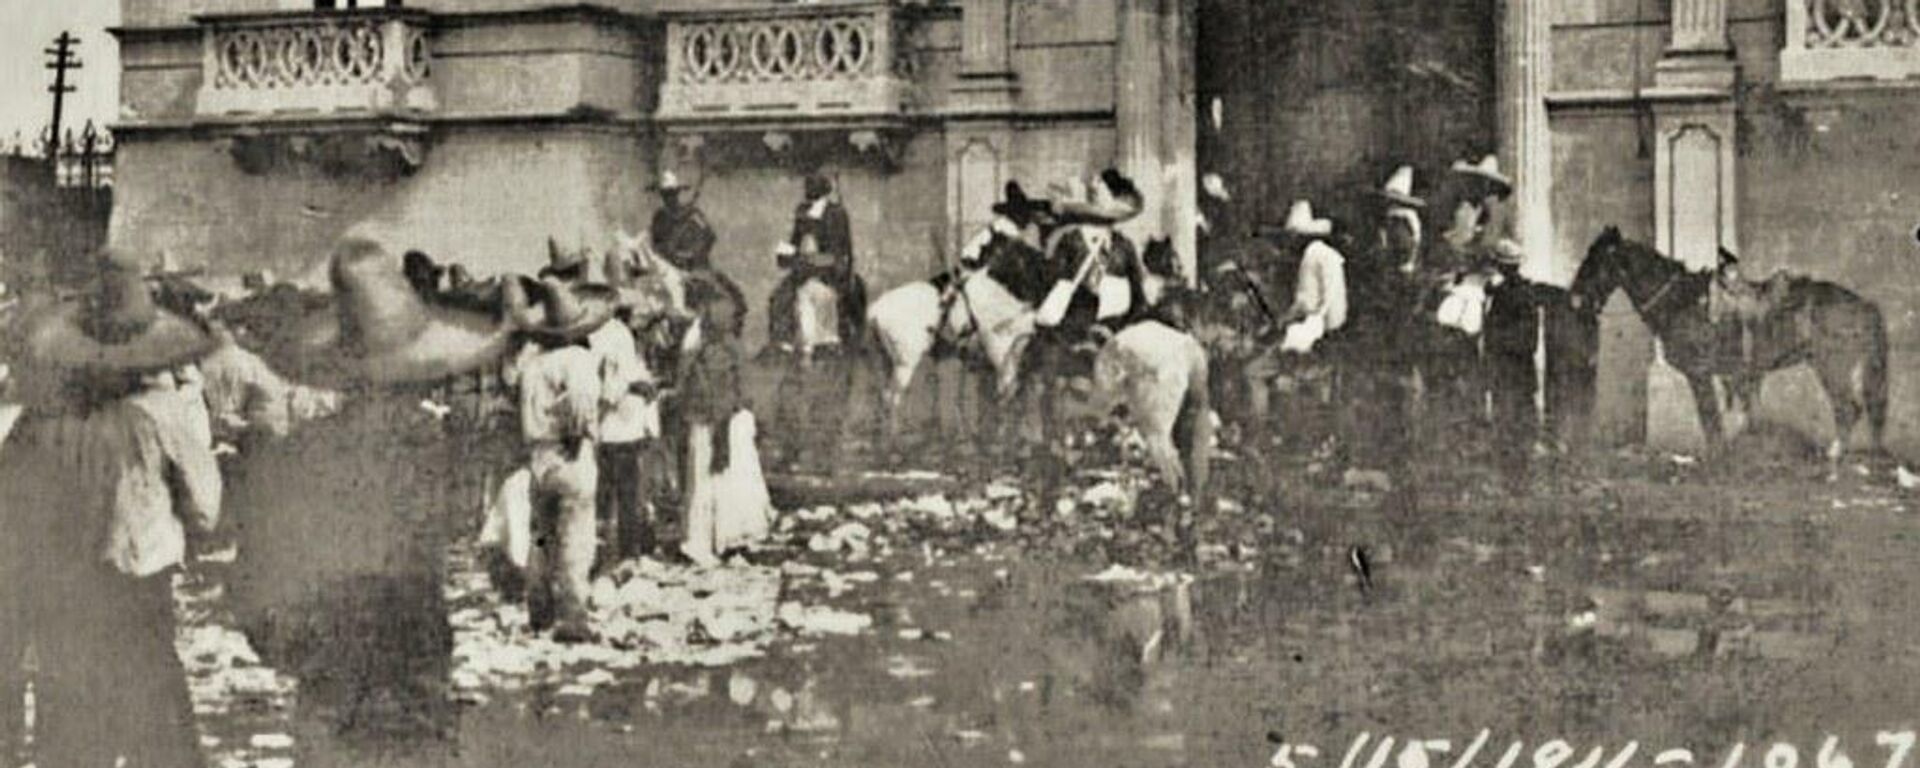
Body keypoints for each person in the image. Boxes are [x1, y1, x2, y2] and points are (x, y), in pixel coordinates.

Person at [226, 236, 526, 754]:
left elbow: (253, 590)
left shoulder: (300, 454)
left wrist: (304, 655)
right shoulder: (430, 452)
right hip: (413, 706)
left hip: (331, 706)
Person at [0, 247, 222, 768]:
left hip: (67, 597)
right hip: (141, 590)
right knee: (161, 731)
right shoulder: (159, 418)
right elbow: (206, 508)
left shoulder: (38, 430)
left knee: (74, 736)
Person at [503, 278, 623, 641]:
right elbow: (582, 409)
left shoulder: (532, 366)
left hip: (537, 456)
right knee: (576, 537)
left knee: (541, 536)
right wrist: (579, 435)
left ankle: (539, 607)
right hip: (570, 454)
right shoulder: (578, 360)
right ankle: (573, 616)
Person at [549, 248, 662, 562]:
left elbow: (610, 380)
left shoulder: (605, 335)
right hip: (611, 423)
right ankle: (617, 551)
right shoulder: (602, 335)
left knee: (610, 492)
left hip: (611, 424)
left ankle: (613, 551)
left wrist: (598, 406)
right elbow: (610, 381)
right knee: (614, 492)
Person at [677, 271, 776, 567]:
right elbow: (741, 385)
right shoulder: (727, 341)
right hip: (727, 416)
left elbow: (688, 378)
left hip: (711, 417)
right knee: (731, 478)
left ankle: (706, 539)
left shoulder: (698, 338)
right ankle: (728, 537)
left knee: (706, 478)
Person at [1240, 200, 1350, 446]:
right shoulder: (1330, 255)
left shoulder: (1311, 257)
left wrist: (1280, 323)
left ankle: (1256, 437)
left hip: (1312, 333)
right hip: (1332, 331)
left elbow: (1306, 304)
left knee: (1253, 373)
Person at [768, 173, 866, 355]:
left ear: (822, 189)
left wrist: (810, 261)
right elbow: (795, 239)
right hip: (803, 269)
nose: (807, 190)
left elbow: (838, 251)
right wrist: (786, 253)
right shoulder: (802, 211)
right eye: (807, 186)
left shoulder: (836, 213)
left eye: (811, 186)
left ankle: (835, 343)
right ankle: (783, 342)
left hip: (828, 272)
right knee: (779, 296)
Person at [649, 170, 717, 272]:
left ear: (677, 193)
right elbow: (655, 244)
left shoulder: (693, 214)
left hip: (694, 267)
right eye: (666, 194)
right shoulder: (659, 217)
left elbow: (710, 236)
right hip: (667, 267)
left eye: (672, 193)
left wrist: (692, 255)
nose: (669, 198)